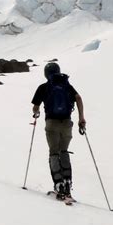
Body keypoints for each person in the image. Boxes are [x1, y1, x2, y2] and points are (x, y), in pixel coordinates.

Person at [31, 61, 86, 200]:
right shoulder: (67, 86)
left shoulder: (43, 87)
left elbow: (35, 107)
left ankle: (59, 185)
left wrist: (36, 113)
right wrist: (81, 118)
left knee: (54, 152)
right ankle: (67, 182)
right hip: (67, 123)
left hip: (51, 124)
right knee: (64, 151)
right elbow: (78, 98)